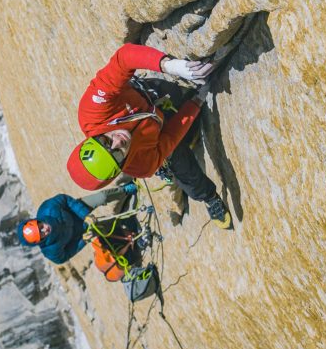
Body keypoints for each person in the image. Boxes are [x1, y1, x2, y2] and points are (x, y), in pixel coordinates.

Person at [66, 43, 231, 228]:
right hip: (158, 129)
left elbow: (123, 58)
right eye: (118, 154)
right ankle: (209, 197)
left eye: (105, 141)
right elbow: (170, 138)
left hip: (150, 95)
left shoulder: (92, 111)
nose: (118, 141)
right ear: (121, 166)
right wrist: (197, 101)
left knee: (176, 90)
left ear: (92, 139)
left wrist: (170, 66)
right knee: (182, 166)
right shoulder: (142, 165)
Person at [17, 181, 138, 264]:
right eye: (42, 234)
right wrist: (83, 241)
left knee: (101, 198)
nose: (45, 229)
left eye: (40, 226)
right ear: (41, 241)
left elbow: (65, 199)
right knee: (104, 228)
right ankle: (125, 224)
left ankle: (124, 190)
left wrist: (85, 215)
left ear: (37, 221)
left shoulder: (47, 209)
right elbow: (64, 257)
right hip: (81, 233)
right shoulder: (51, 251)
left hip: (77, 211)